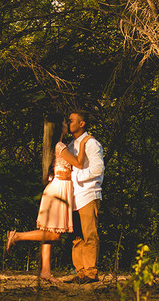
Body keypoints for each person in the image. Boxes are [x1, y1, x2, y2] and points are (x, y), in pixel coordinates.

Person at [5, 116, 87, 281]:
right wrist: (84, 143)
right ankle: (17, 236)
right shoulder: (60, 146)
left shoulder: (56, 145)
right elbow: (79, 163)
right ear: (58, 127)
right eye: (64, 122)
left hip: (58, 188)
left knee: (50, 233)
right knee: (54, 235)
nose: (67, 124)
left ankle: (45, 271)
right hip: (58, 191)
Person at [66, 109, 104, 284]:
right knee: (77, 237)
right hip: (73, 196)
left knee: (90, 234)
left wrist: (76, 176)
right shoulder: (70, 146)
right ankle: (80, 272)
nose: (69, 123)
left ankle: (90, 272)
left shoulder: (91, 143)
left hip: (88, 194)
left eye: (72, 120)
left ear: (82, 124)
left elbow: (97, 169)